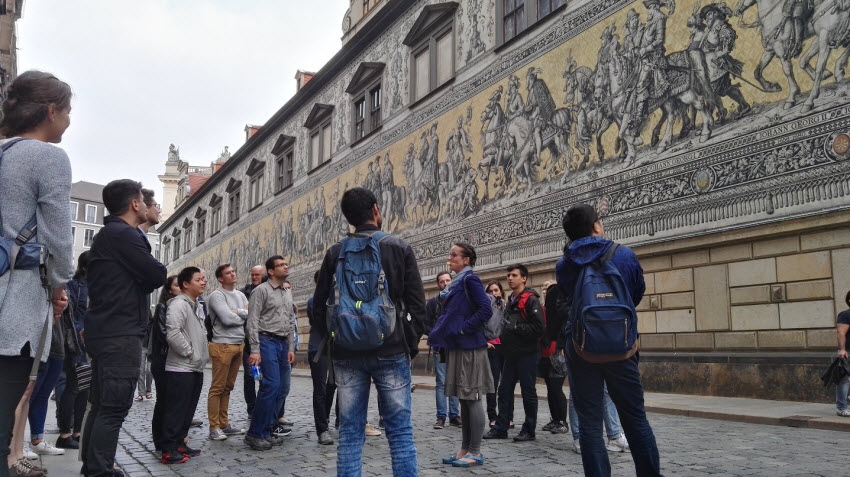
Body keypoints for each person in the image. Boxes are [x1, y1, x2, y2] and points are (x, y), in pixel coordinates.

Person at [313, 187, 426, 477]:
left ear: (348, 218)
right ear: (376, 209)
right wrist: (407, 343)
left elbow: (318, 306)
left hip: (347, 353)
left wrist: (337, 338)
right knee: (400, 432)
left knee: (350, 433)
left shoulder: (335, 252)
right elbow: (418, 306)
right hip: (391, 349)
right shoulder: (398, 247)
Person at [0, 70, 74, 477]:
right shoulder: (47, 156)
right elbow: (59, 238)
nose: (68, 120)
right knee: (10, 397)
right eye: (67, 111)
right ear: (50, 111)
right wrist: (60, 283)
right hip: (17, 300)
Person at [556, 203, 660, 476]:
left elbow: (570, 299)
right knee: (635, 418)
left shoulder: (564, 264)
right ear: (596, 226)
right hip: (621, 347)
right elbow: (634, 295)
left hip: (581, 348)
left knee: (590, 424)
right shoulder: (624, 255)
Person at [81, 179, 167, 477]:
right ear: (134, 204)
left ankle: (93, 466)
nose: (147, 206)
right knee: (114, 406)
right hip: (120, 332)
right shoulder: (123, 234)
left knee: (102, 403)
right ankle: (99, 471)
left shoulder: (110, 235)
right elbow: (156, 273)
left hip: (107, 330)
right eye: (144, 201)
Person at [428, 243, 494, 468]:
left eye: (454, 255)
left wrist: (465, 328)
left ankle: (475, 452)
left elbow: (486, 308)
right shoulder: (457, 283)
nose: (450, 258)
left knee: (472, 399)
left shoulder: (469, 280)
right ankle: (464, 448)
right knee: (464, 400)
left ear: (466, 260)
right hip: (458, 347)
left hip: (470, 347)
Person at [484, 264, 544, 442]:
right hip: (511, 354)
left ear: (524, 278)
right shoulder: (510, 300)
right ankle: (501, 426)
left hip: (527, 354)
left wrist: (516, 327)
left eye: (514, 275)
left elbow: (539, 328)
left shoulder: (531, 299)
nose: (510, 278)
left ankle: (529, 429)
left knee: (528, 392)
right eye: (509, 275)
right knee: (504, 391)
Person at [244, 256, 296, 451]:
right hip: (266, 340)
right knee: (270, 386)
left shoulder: (286, 291)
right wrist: (255, 350)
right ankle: (255, 433)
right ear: (271, 271)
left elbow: (291, 321)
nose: (286, 267)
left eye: (286, 264)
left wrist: (290, 348)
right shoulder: (261, 291)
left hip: (283, 343)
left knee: (281, 387)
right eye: (281, 265)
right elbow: (253, 321)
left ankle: (268, 428)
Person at [160, 267, 209, 465]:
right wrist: (189, 352)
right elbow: (172, 333)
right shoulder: (179, 304)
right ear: (186, 284)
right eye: (199, 279)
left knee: (187, 410)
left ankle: (180, 442)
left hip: (194, 366)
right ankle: (169, 449)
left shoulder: (195, 304)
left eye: (204, 279)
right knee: (176, 411)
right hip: (182, 367)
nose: (204, 282)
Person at [206, 264, 249, 441]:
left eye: (233, 271)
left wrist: (237, 312)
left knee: (228, 387)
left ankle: (224, 423)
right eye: (228, 273)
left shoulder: (240, 295)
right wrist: (242, 314)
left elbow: (251, 313)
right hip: (222, 344)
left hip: (239, 344)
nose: (233, 274)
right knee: (217, 387)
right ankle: (214, 426)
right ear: (220, 278)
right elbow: (226, 319)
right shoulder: (217, 295)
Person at [56, 252, 91, 451]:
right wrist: (79, 337)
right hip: (76, 342)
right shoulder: (75, 284)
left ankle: (77, 431)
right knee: (73, 386)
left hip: (89, 341)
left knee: (84, 388)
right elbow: (72, 315)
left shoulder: (94, 285)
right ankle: (65, 433)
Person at [425, 271, 460, 429]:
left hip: (456, 346)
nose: (445, 284)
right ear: (438, 284)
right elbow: (424, 324)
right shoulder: (433, 303)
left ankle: (455, 415)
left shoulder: (459, 300)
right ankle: (441, 416)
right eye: (442, 281)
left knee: (455, 381)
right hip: (440, 347)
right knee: (441, 382)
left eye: (448, 280)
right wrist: (435, 333)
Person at [134, 189, 160, 403]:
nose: (158, 209)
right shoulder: (133, 238)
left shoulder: (140, 238)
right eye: (155, 205)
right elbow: (155, 274)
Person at [149, 275, 179, 451]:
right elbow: (164, 333)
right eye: (176, 285)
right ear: (169, 290)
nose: (180, 287)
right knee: (163, 400)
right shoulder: (162, 307)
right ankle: (160, 438)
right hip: (163, 360)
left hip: (172, 359)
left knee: (172, 400)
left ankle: (169, 435)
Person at [307, 271, 336, 445]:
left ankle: (325, 419)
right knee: (320, 388)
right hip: (319, 348)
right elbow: (324, 323)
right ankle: (322, 429)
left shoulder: (338, 300)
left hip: (336, 348)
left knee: (333, 385)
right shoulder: (314, 301)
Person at [539, 281, 569, 435]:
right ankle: (555, 419)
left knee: (556, 388)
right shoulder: (543, 308)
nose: (545, 291)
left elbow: (562, 327)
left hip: (557, 350)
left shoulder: (559, 309)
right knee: (550, 388)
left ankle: (562, 421)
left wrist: (562, 346)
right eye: (544, 288)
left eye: (548, 288)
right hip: (544, 352)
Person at [483, 281, 512, 429]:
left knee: (507, 384)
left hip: (506, 347)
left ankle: (508, 416)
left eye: (496, 290)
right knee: (492, 383)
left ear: (501, 291)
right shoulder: (484, 308)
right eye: (490, 291)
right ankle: (492, 416)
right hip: (492, 347)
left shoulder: (506, 306)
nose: (494, 293)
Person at [241, 265, 265, 416]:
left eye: (258, 275)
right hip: (248, 341)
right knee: (250, 376)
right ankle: (252, 407)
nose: (254, 277)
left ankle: (264, 405)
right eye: (253, 275)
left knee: (265, 376)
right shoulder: (245, 292)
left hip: (266, 340)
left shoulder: (269, 290)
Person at [836, 291, 850, 416]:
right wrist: (842, 350)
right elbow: (841, 333)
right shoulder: (845, 315)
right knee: (844, 381)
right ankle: (841, 407)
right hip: (848, 352)